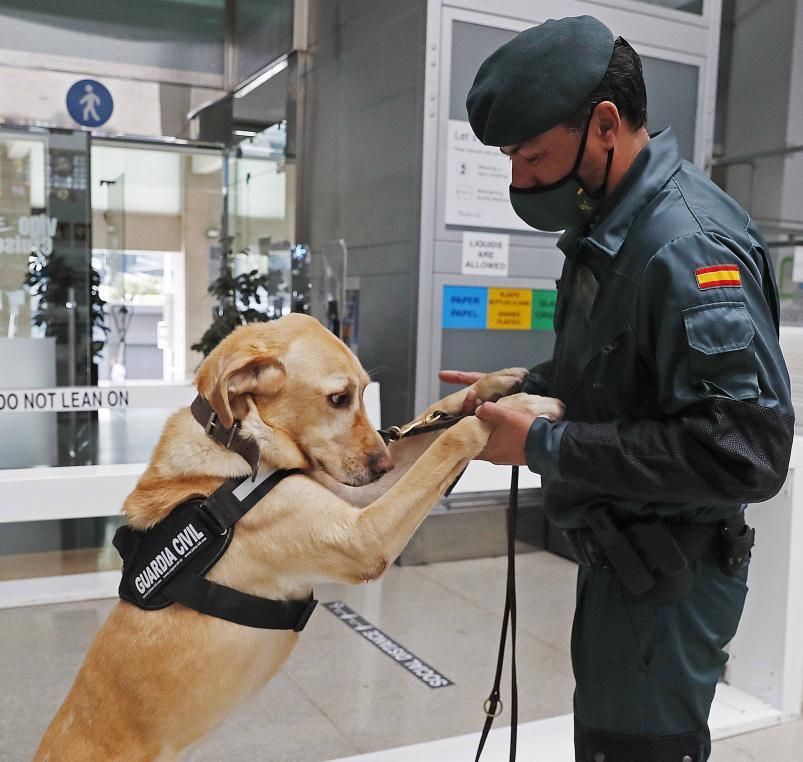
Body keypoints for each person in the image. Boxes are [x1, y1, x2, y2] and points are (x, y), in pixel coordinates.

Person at [441, 15, 794, 762]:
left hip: (667, 578)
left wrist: (539, 441)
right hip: (625, 561)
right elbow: (622, 380)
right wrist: (528, 389)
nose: (519, 182)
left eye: (531, 157)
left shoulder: (687, 247)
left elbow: (744, 454)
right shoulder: (614, 225)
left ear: (603, 124)